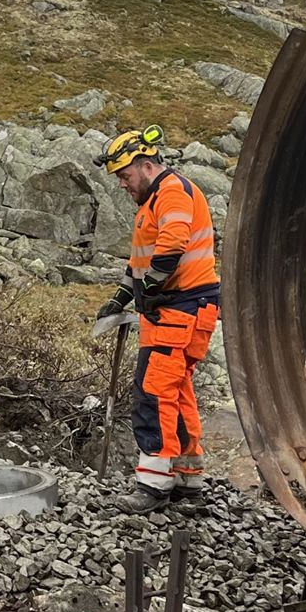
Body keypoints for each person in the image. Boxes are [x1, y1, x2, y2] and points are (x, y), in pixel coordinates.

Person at [92, 125, 220, 511]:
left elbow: (172, 245)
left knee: (153, 393)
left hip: (181, 309)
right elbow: (142, 261)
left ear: (146, 166)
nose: (122, 185)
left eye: (125, 176)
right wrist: (122, 296)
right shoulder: (152, 204)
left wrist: (150, 285)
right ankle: (187, 482)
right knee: (176, 394)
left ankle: (153, 486)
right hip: (179, 309)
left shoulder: (171, 193)